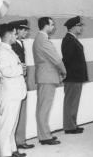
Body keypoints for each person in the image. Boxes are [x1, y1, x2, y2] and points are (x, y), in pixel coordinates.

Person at [32, 17, 66, 145]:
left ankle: (44, 135)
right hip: (47, 77)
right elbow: (56, 59)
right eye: (52, 25)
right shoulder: (43, 40)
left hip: (45, 77)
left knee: (42, 107)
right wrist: (64, 71)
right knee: (44, 108)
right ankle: (45, 137)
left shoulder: (40, 39)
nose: (54, 27)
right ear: (45, 26)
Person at [0, 24, 27, 157]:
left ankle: (13, 150)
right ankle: (6, 153)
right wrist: (21, 69)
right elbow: (5, 71)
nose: (16, 36)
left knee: (12, 125)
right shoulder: (2, 51)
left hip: (14, 92)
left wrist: (20, 67)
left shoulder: (8, 49)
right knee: (6, 126)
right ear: (8, 35)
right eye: (14, 34)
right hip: (9, 93)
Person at [7, 20, 34, 151]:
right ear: (15, 31)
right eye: (23, 29)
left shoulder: (20, 43)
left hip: (21, 81)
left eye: (26, 30)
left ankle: (20, 140)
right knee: (16, 113)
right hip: (15, 83)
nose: (26, 32)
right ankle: (17, 141)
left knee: (21, 112)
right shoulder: (12, 45)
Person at [61, 16, 88, 134]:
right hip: (72, 77)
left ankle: (72, 125)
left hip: (76, 77)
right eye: (79, 26)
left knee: (74, 102)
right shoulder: (68, 40)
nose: (81, 28)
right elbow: (67, 59)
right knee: (70, 102)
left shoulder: (72, 39)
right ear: (73, 27)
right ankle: (69, 127)